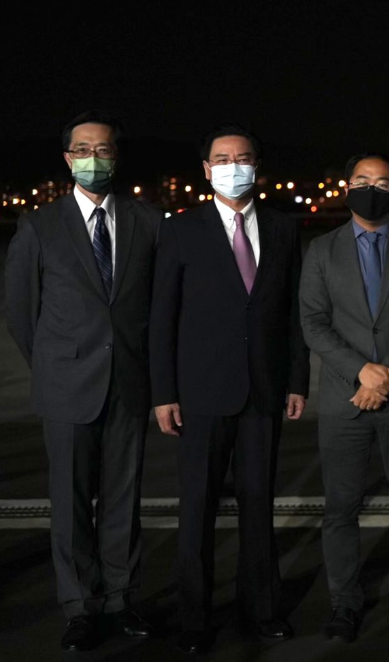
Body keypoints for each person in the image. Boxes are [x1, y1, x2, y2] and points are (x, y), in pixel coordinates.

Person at [149, 123, 310, 654]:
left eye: (243, 158)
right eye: (222, 158)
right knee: (196, 509)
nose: (233, 166)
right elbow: (162, 318)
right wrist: (164, 391)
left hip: (264, 391)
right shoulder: (180, 229)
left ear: (257, 167)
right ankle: (194, 618)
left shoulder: (285, 229)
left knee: (260, 504)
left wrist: (295, 380)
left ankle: (260, 609)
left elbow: (291, 316)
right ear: (206, 168)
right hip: (199, 393)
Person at [4, 111, 161, 651]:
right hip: (67, 385)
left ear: (116, 156)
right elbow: (23, 314)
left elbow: (154, 308)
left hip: (129, 384)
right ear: (68, 157)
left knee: (123, 499)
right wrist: (58, 363)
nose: (94, 158)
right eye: (83, 149)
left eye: (104, 149)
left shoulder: (148, 221)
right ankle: (79, 606)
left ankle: (120, 599)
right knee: (69, 505)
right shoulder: (39, 226)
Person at [301, 153, 389, 642]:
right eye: (362, 180)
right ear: (347, 187)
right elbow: (313, 323)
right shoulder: (321, 250)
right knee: (341, 507)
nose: (372, 188)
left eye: (382, 182)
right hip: (345, 399)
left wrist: (387, 376)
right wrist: (361, 371)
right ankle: (344, 601)